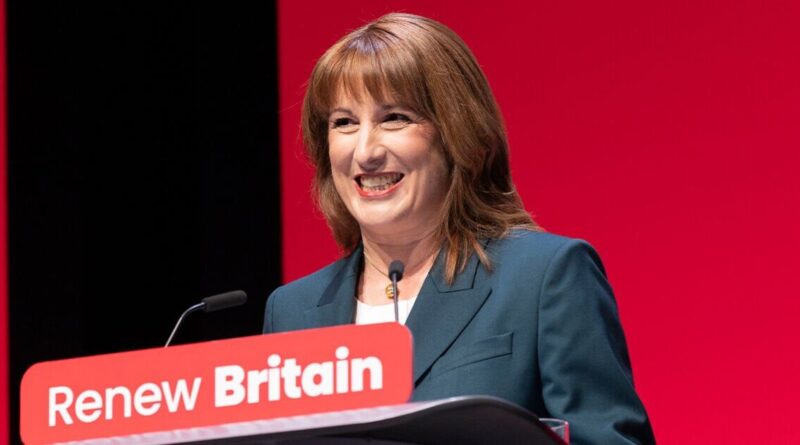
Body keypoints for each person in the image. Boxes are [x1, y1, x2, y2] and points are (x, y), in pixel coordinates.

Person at [263, 13, 655, 445]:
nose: (365, 151)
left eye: (395, 117)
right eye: (344, 122)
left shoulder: (543, 278)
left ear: (457, 134)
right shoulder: (292, 311)